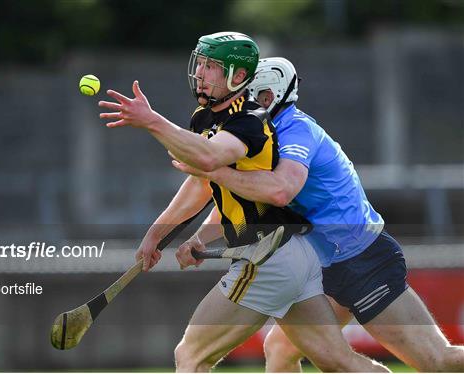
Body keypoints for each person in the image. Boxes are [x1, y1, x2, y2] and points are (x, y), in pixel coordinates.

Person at [98, 32, 387, 372]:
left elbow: (209, 158)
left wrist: (152, 121)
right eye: (201, 63)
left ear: (238, 77)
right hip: (292, 255)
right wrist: (157, 234)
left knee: (190, 355)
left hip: (267, 258)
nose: (201, 72)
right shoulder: (205, 118)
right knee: (338, 361)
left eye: (212, 66)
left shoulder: (250, 120)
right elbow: (201, 184)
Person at [173, 56, 464, 372]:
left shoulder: (295, 133)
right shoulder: (261, 135)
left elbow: (280, 190)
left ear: (267, 96)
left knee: (438, 362)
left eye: (246, 95)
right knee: (280, 349)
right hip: (322, 262)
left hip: (361, 261)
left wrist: (212, 171)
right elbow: (245, 195)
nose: (238, 103)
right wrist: (198, 237)